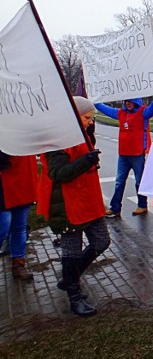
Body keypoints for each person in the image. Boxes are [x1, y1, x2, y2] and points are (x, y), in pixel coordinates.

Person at [37, 96, 111, 317]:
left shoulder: (82, 133)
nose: (90, 121)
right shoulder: (57, 139)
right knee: (71, 250)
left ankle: (70, 278)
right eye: (87, 117)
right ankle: (74, 296)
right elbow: (58, 173)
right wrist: (86, 161)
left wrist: (89, 136)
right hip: (68, 204)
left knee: (102, 241)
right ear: (74, 116)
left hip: (88, 200)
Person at [95, 95, 153, 217]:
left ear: (136, 102)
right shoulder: (121, 113)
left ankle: (142, 205)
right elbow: (105, 109)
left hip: (137, 154)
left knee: (139, 181)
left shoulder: (143, 112)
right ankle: (115, 208)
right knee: (119, 182)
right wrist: (95, 101)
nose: (128, 103)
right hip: (123, 154)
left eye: (130, 101)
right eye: (126, 101)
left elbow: (151, 110)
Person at [0, 152, 39, 281]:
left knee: (19, 227)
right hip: (3, 184)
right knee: (3, 228)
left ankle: (18, 264)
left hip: (23, 179)